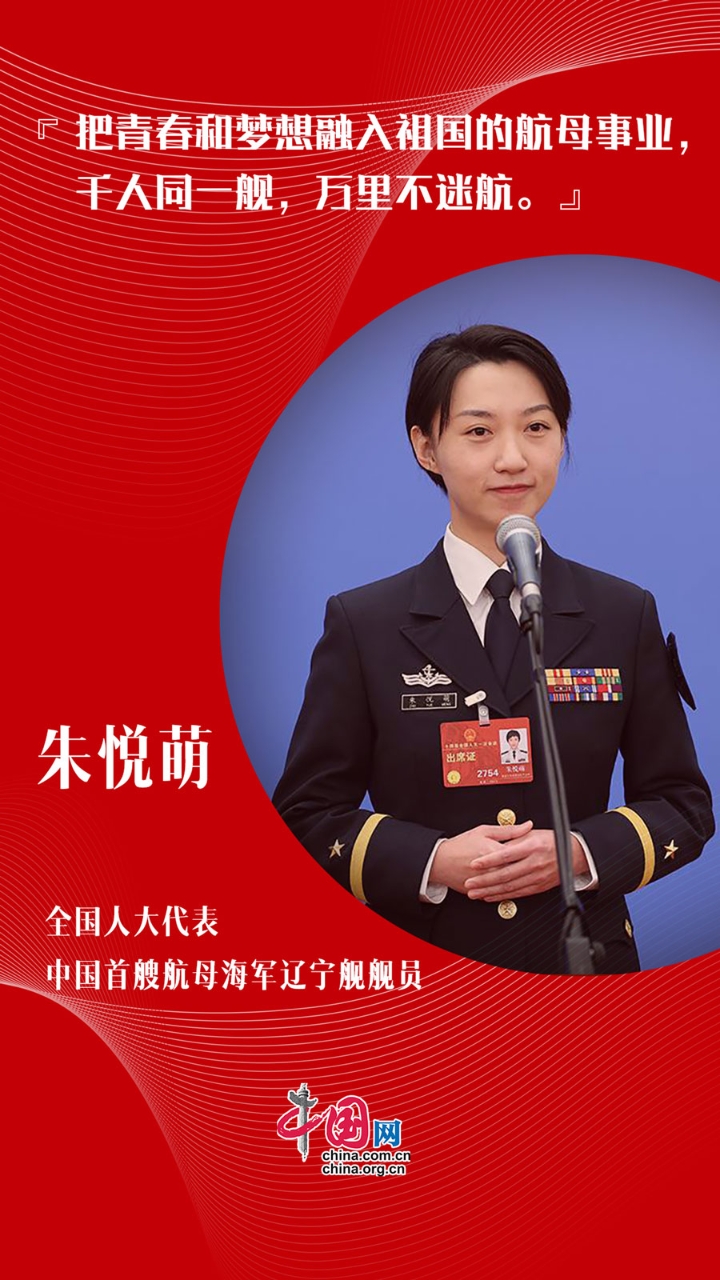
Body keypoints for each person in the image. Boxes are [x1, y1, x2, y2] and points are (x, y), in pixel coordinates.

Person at [273, 324, 714, 974]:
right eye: (479, 431)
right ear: (427, 447)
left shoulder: (623, 614)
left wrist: (578, 853)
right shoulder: (365, 623)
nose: (513, 458)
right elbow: (306, 815)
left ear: (561, 437)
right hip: (428, 975)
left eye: (537, 428)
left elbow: (683, 806)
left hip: (586, 970)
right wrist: (433, 861)